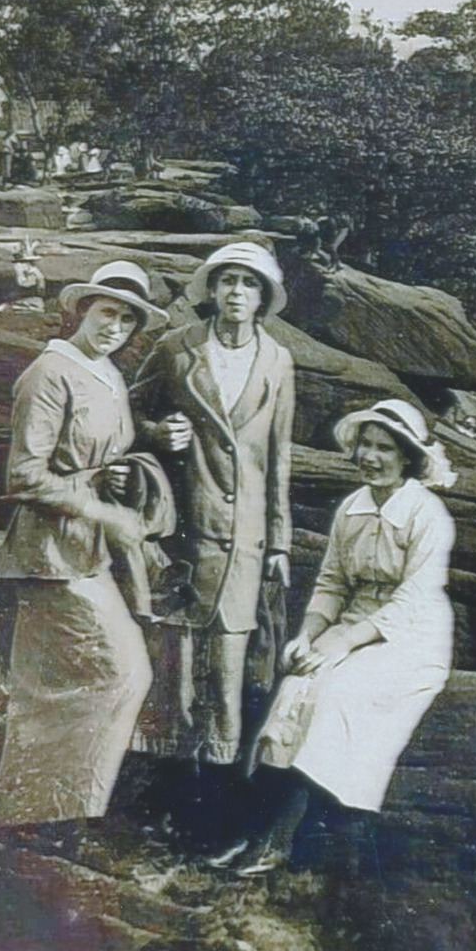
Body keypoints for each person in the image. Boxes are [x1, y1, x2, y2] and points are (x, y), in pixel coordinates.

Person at [225, 398, 456, 875]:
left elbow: (414, 599)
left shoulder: (429, 515)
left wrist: (343, 644)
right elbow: (332, 583)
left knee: (333, 695)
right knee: (295, 687)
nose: (371, 457)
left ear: (407, 458)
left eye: (385, 449)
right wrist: (309, 636)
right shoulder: (353, 507)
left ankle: (281, 840)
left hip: (411, 638)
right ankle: (254, 833)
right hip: (354, 623)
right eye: (366, 446)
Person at [0, 263, 172, 849]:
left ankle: (52, 814)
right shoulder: (48, 373)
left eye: (127, 318)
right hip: (48, 550)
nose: (115, 326)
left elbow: (101, 449)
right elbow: (24, 475)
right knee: (114, 673)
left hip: (86, 552)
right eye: (106, 313)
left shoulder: (109, 375)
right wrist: (99, 509)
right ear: (82, 311)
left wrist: (137, 455)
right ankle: (51, 816)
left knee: (71, 679)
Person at [129, 241, 296, 776]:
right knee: (175, 656)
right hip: (185, 525)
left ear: (264, 297)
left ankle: (216, 788)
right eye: (228, 281)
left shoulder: (278, 361)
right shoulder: (178, 348)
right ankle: (164, 786)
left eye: (249, 284)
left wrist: (280, 541)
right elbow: (128, 404)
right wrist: (157, 432)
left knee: (230, 659)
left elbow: (280, 455)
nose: (237, 293)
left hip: (246, 534)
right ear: (212, 289)